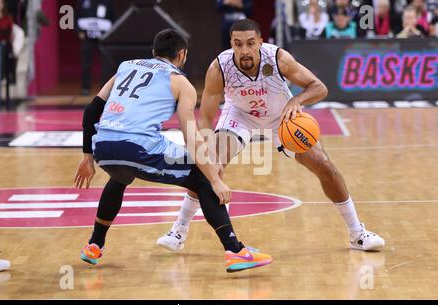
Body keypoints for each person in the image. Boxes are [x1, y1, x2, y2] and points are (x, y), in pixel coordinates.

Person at [157, 19, 385, 253]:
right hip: (240, 115)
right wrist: (207, 156)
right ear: (231, 44)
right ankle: (178, 230)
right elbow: (205, 117)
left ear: (260, 42)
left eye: (250, 43)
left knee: (323, 163)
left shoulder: (277, 58)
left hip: (281, 116)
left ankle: (357, 233)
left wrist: (296, 100)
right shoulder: (220, 67)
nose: (244, 50)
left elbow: (318, 87)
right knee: (210, 168)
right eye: (237, 44)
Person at [74, 28, 272, 273]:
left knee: (119, 176)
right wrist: (214, 179)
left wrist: (87, 156)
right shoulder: (180, 82)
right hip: (138, 148)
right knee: (202, 178)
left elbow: (92, 110)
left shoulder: (125, 67)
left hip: (103, 147)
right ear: (182, 55)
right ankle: (235, 250)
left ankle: (94, 244)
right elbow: (189, 134)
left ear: (153, 52)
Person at [75, 0, 115, 96]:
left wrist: (110, 35)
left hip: (104, 38)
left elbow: (113, 18)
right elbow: (75, 17)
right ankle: (85, 88)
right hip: (87, 37)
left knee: (106, 64)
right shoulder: (82, 2)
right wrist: (78, 31)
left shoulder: (107, 2)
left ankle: (105, 88)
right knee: (86, 64)